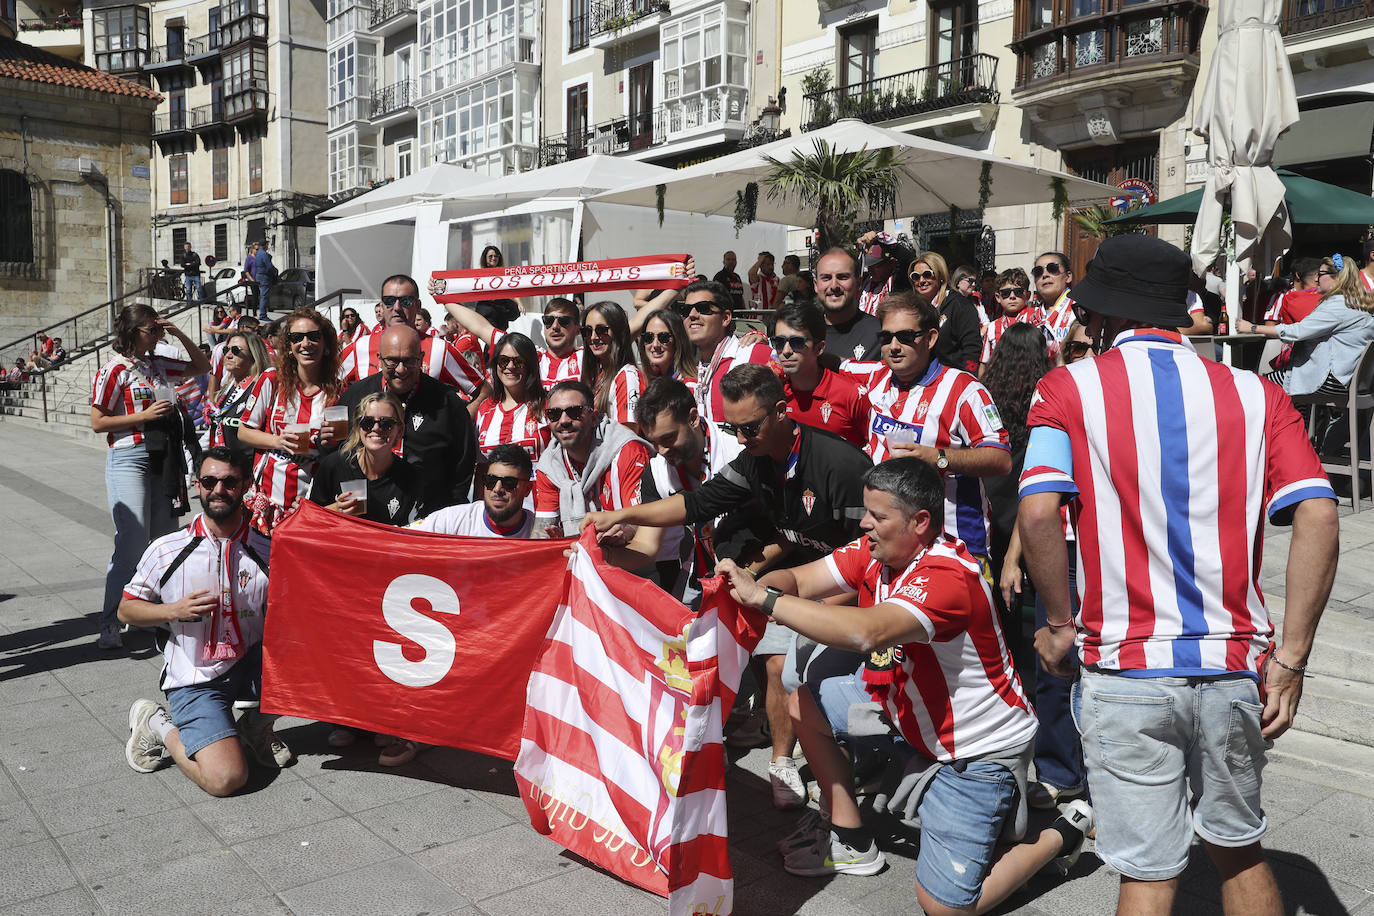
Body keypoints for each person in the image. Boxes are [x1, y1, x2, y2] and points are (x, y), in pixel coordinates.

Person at [1019, 234, 1340, 916]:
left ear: (1101, 315)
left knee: (1148, 874)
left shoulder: (1067, 388)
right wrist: (1292, 659)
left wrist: (1055, 624)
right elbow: (1319, 513)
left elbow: (1040, 509)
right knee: (1239, 849)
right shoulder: (1258, 395)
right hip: (1232, 664)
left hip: (1127, 665)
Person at [714, 458, 1094, 913]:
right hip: (909, 718)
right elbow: (799, 578)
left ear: (919, 522)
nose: (865, 524)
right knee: (804, 702)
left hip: (973, 753)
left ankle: (1060, 831)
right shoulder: (880, 551)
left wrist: (765, 600)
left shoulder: (947, 576)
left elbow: (866, 632)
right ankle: (851, 838)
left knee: (946, 908)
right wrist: (758, 584)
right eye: (866, 512)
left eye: (878, 516)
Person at [583, 364, 872, 810]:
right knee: (788, 669)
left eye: (750, 427)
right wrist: (622, 516)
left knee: (811, 677)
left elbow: (872, 559)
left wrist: (814, 607)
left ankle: (853, 778)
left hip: (855, 590)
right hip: (797, 575)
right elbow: (695, 504)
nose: (741, 439)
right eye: (734, 429)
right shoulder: (754, 459)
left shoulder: (843, 465)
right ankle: (797, 763)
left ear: (781, 411)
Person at [120, 446, 291, 796]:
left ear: (245, 485)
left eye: (229, 482)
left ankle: (254, 729)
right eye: (210, 481)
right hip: (197, 677)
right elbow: (126, 610)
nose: (218, 490)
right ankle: (156, 722)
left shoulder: (267, 549)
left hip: (247, 664)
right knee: (225, 779)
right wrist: (173, 611)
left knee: (313, 654)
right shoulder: (166, 549)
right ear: (196, 484)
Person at [840, 293, 1011, 561]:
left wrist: (937, 458)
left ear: (931, 339)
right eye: (886, 338)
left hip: (954, 546)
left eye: (906, 337)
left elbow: (1001, 460)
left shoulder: (964, 390)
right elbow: (823, 361)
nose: (894, 346)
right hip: (890, 545)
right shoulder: (875, 376)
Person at [91, 305, 212, 649]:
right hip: (129, 457)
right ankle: (111, 620)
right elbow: (98, 422)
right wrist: (142, 415)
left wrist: (175, 332)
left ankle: (151, 616)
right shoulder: (115, 370)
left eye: (158, 330)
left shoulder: (158, 364)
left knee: (163, 541)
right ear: (133, 332)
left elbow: (201, 366)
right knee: (131, 541)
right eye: (151, 329)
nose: (157, 335)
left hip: (164, 458)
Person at [334, 324, 477, 515]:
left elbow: (463, 463)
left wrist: (450, 512)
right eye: (392, 361)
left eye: (409, 361)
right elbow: (333, 452)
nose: (401, 370)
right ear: (379, 360)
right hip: (365, 518)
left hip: (427, 521)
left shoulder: (447, 402)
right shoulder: (355, 395)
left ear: (421, 359)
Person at [236, 308, 344, 534]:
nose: (306, 343)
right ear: (289, 347)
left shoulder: (338, 392)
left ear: (325, 345)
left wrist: (332, 442)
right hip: (266, 499)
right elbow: (243, 432)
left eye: (314, 336)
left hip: (308, 501)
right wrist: (278, 441)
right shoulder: (272, 380)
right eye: (297, 338)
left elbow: (341, 448)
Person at [1241, 254, 1374, 396]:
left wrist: (1252, 328)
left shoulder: (1337, 304)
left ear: (1337, 277)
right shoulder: (1357, 302)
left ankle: (1285, 418)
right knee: (1294, 377)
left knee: (1255, 384)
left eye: (1320, 274)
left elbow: (1298, 331)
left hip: (1331, 379)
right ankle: (1302, 417)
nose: (1316, 279)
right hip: (1355, 379)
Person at [679, 279, 775, 475]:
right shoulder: (685, 368)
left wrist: (767, 340)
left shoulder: (753, 354)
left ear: (726, 318)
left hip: (748, 479)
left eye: (703, 308)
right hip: (705, 478)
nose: (692, 315)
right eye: (686, 310)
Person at [338, 274, 485, 403]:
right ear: (381, 306)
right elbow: (325, 384)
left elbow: (484, 391)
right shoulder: (361, 347)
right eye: (389, 301)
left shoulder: (439, 349)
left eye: (405, 301)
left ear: (417, 305)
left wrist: (460, 421)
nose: (397, 307)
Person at [533, 380, 651, 538]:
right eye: (554, 414)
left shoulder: (627, 451)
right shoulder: (549, 465)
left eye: (574, 412)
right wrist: (557, 541)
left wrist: (621, 535)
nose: (563, 421)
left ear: (594, 418)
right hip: (587, 554)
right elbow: (541, 533)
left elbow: (643, 520)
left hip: (643, 554)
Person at [311, 392, 423, 527]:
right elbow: (307, 518)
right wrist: (335, 510)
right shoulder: (334, 465)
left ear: (399, 430)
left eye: (386, 423)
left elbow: (414, 533)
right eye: (367, 422)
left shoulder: (409, 478)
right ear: (358, 427)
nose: (376, 429)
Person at [771, 300, 867, 447]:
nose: (786, 351)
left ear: (819, 348)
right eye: (779, 342)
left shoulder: (851, 395)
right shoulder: (773, 394)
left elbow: (876, 448)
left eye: (797, 342)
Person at [445, 296, 583, 384]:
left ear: (577, 329)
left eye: (563, 321)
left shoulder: (588, 358)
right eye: (548, 320)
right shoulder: (532, 355)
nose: (555, 327)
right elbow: (482, 328)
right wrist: (442, 296)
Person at [413, 443, 536, 538]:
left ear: (527, 489)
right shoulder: (452, 520)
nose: (497, 489)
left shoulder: (539, 534)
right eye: (491, 481)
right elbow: (401, 537)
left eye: (509, 483)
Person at [474, 331, 550, 466]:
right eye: (503, 361)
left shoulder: (548, 405)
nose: (510, 366)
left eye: (519, 361)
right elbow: (481, 467)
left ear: (530, 365)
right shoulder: (485, 409)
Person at [909, 251, 981, 374]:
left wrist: (967, 379)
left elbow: (972, 348)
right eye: (916, 276)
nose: (921, 280)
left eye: (927, 274)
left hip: (952, 379)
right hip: (920, 378)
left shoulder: (960, 305)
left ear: (940, 275)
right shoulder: (912, 308)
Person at [581, 301, 643, 432]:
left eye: (601, 330)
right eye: (587, 331)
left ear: (618, 332)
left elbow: (629, 436)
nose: (593, 337)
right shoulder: (598, 375)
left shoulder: (627, 377)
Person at [811, 248, 881, 362]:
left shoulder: (880, 333)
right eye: (826, 278)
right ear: (815, 285)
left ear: (858, 283)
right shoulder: (801, 335)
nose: (834, 286)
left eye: (843, 277)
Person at [207, 331, 271, 456]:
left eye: (236, 350)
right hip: (226, 466)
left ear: (253, 355)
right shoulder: (226, 389)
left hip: (249, 468)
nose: (228, 355)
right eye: (226, 350)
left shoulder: (262, 388)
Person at [979, 267, 1048, 373]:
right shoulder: (992, 327)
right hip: (1001, 382)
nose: (1012, 296)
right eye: (1006, 293)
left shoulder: (1038, 317)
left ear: (1028, 295)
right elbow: (984, 363)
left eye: (1018, 292)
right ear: (998, 297)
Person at [636, 307, 698, 392]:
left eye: (663, 337)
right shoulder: (647, 383)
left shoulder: (688, 388)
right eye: (648, 337)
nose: (655, 344)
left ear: (678, 341)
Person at [855, 232, 908, 316]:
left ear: (891, 263)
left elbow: (907, 258)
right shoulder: (865, 281)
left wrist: (878, 238)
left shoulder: (898, 282)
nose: (870, 270)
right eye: (869, 266)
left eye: (875, 266)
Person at [1034, 250, 1077, 351]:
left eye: (1052, 269)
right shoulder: (1029, 318)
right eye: (1038, 271)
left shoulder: (1080, 310)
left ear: (1068, 276)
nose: (1045, 275)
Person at [254, 239, 276, 321]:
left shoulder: (258, 253)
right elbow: (269, 266)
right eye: (267, 244)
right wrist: (275, 271)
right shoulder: (264, 254)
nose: (268, 246)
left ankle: (262, 314)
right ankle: (263, 315)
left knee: (262, 295)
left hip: (259, 275)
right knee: (264, 296)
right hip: (264, 276)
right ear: (265, 245)